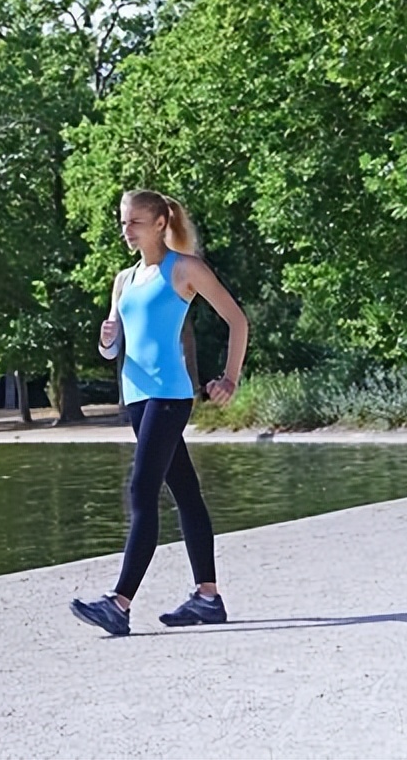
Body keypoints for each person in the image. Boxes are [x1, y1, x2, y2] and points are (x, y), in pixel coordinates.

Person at [70, 189, 248, 636]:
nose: (125, 229)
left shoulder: (184, 269)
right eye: (122, 221)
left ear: (159, 224)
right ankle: (208, 597)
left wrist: (229, 377)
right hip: (136, 395)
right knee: (186, 493)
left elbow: (237, 320)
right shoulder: (124, 280)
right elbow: (110, 351)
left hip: (170, 394)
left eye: (133, 222)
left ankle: (119, 603)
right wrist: (106, 336)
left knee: (141, 490)